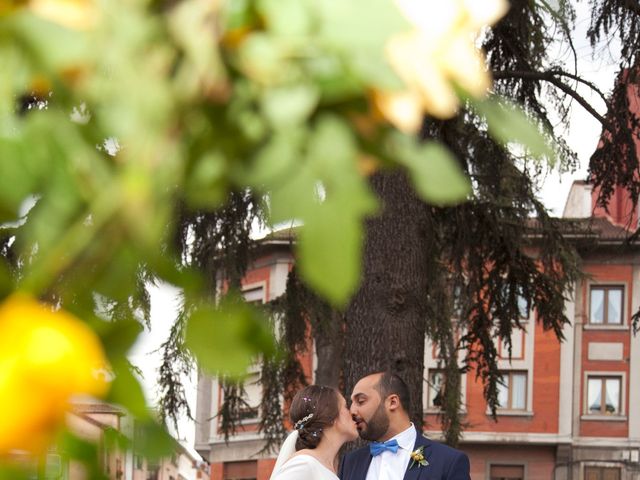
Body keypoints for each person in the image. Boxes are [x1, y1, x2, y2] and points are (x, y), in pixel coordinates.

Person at [339, 372, 470, 480]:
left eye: (361, 401)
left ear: (392, 402)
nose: (352, 411)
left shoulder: (448, 462)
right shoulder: (351, 462)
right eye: (352, 403)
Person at [270, 385, 359, 480]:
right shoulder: (304, 464)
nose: (352, 412)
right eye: (345, 407)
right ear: (331, 417)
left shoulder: (325, 467)